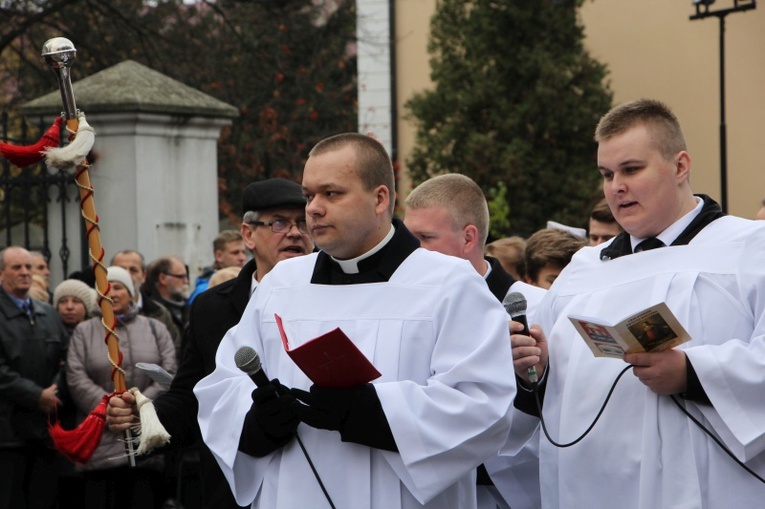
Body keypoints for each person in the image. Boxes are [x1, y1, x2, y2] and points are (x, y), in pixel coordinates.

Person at [193, 133, 516, 509]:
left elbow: (483, 406)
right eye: (309, 194)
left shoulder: (451, 284)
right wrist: (257, 422)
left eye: (331, 194)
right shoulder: (281, 284)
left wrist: (372, 411)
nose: (313, 208)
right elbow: (221, 386)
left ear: (380, 198)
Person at [510, 99, 765, 507]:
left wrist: (692, 373)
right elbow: (546, 393)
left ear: (680, 166)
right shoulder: (582, 268)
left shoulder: (749, 248)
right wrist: (535, 366)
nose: (616, 187)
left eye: (631, 170)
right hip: (589, 487)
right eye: (606, 175)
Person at [106, 178, 314, 509]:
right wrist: (144, 416)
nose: (294, 232)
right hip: (233, 489)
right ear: (248, 235)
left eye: (303, 222)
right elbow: (192, 398)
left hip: (311, 481)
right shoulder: (211, 307)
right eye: (278, 222)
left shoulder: (334, 299)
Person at [403, 173, 540, 509]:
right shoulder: (402, 307)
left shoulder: (537, 306)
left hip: (507, 489)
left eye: (425, 238)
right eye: (407, 239)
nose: (411, 253)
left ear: (468, 238)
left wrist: (531, 378)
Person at [66, 266, 177, 509]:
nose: (111, 293)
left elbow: (168, 373)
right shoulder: (84, 331)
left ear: (130, 292)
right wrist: (112, 408)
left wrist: (140, 407)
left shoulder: (155, 328)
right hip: (101, 444)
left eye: (118, 287)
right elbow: (76, 378)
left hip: (145, 440)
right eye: (106, 288)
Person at [0, 246, 69, 509]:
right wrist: (36, 395)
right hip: (8, 433)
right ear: (1, 273)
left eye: (29, 267)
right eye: (17, 267)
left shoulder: (48, 313)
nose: (25, 272)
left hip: (45, 429)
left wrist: (55, 391)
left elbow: (67, 359)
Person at [111, 250, 182, 355]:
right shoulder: (96, 313)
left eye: (133, 270)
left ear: (144, 276)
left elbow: (174, 353)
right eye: (121, 270)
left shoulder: (159, 313)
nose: (127, 275)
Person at [187, 230, 247, 304]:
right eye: (235, 253)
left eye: (243, 252)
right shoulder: (203, 291)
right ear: (219, 256)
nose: (242, 258)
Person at [143, 256, 190, 334]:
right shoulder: (153, 312)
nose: (186, 281)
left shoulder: (187, 308)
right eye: (181, 277)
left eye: (186, 276)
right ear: (163, 278)